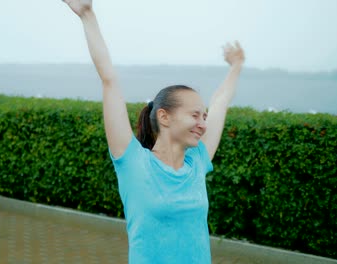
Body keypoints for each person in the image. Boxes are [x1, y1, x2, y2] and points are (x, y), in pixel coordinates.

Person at [63, 0, 245, 263]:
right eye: (194, 115)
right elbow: (109, 80)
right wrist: (87, 15)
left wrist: (237, 65)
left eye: (203, 116)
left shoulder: (198, 162)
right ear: (164, 116)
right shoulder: (133, 162)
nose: (203, 124)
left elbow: (220, 102)